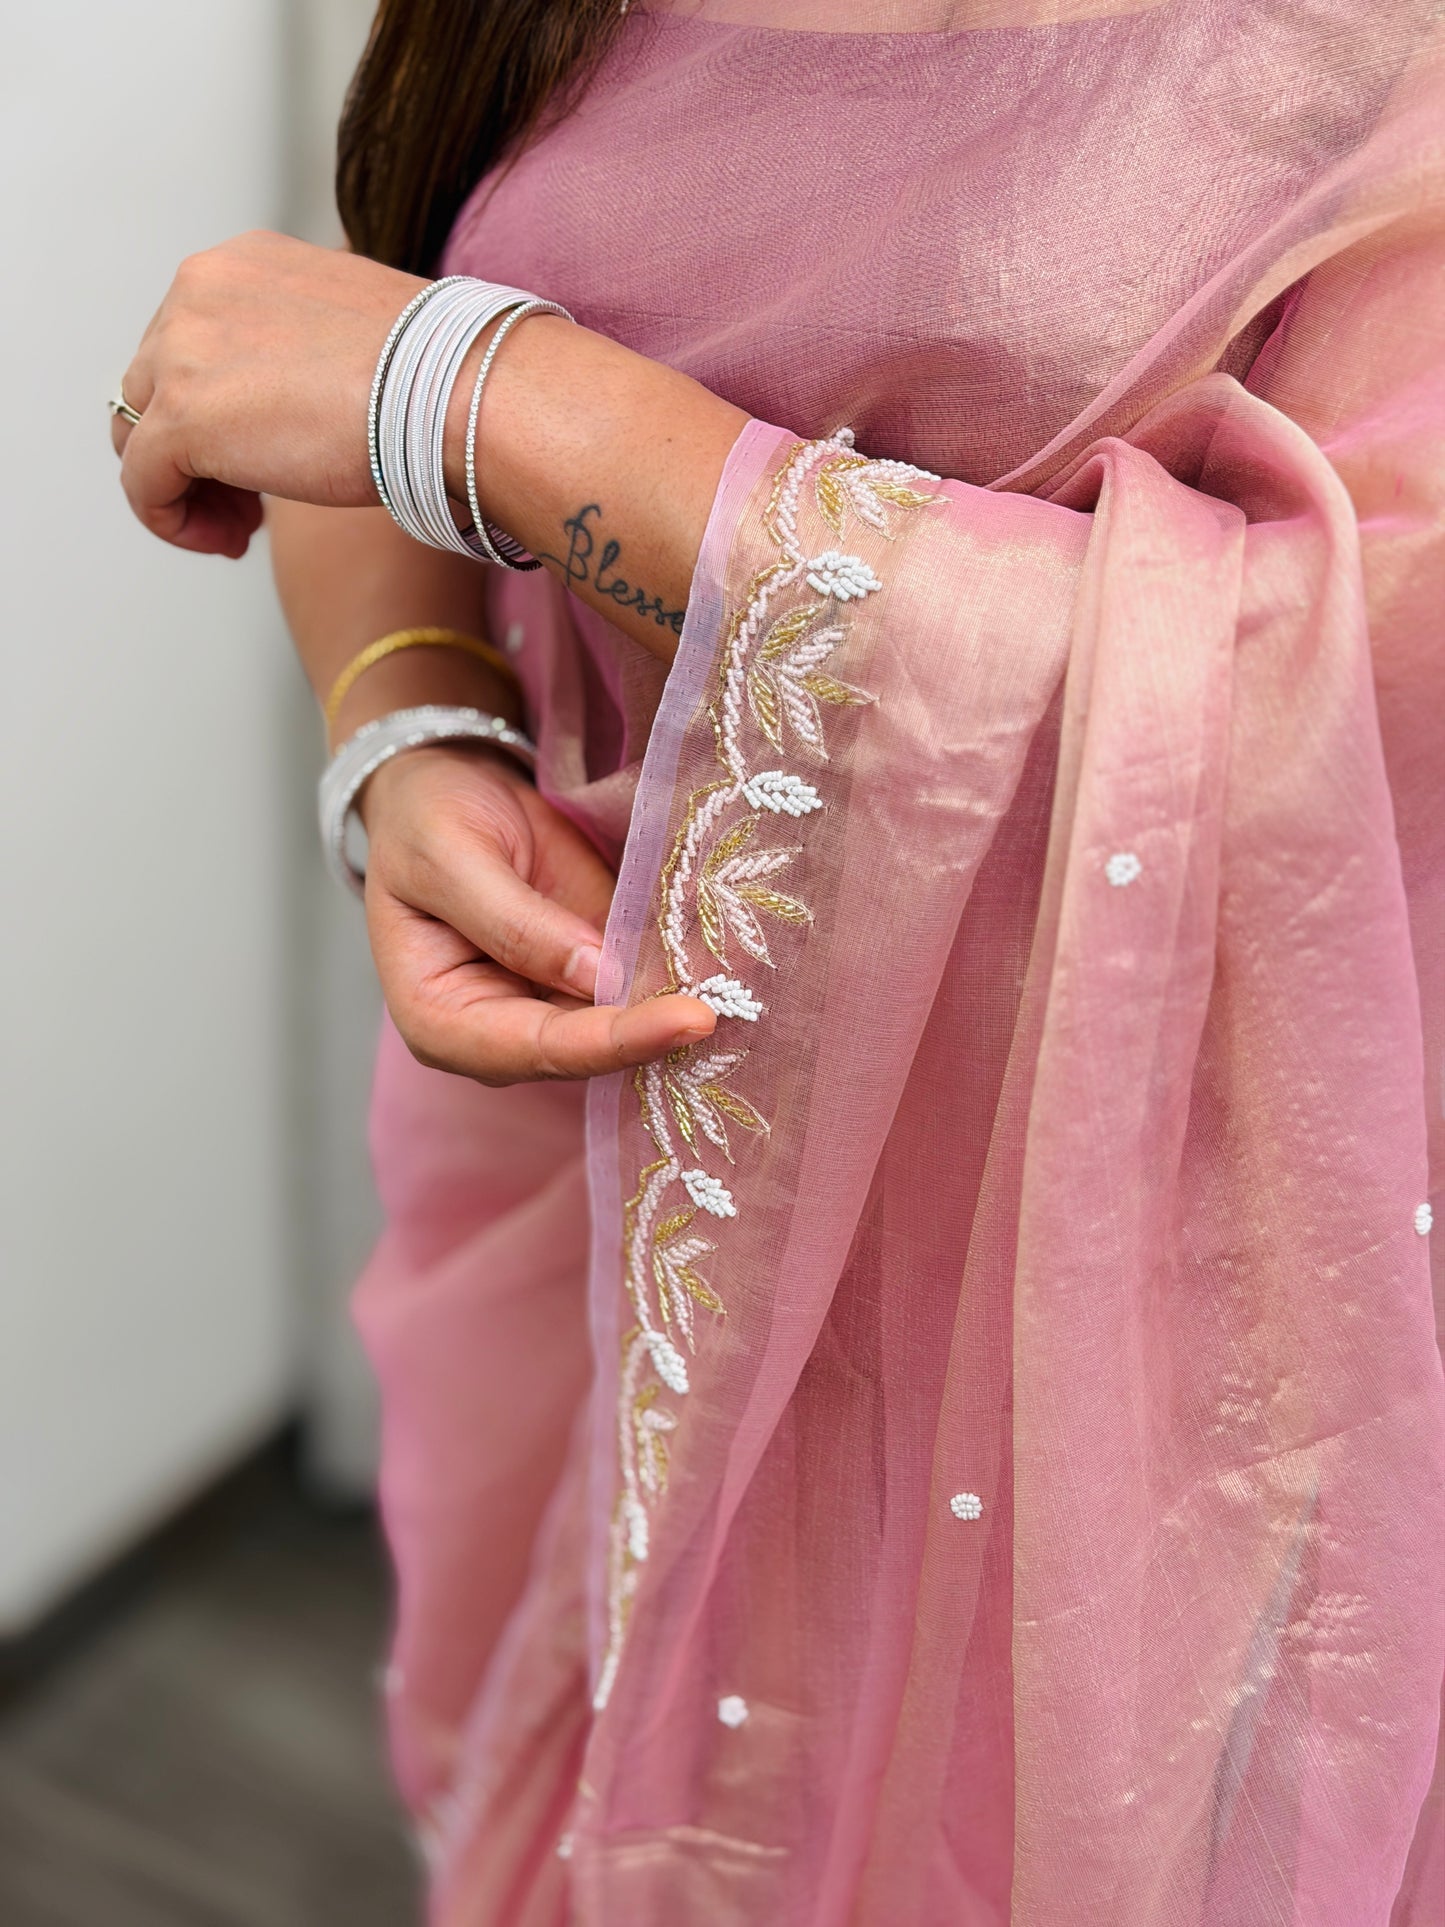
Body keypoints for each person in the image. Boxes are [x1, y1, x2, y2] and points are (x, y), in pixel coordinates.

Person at [110, 2, 1444, 1920]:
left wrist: (510, 405)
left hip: (1130, 1293)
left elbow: (1344, 721)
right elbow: (375, 328)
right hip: (626, 1174)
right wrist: (408, 720)